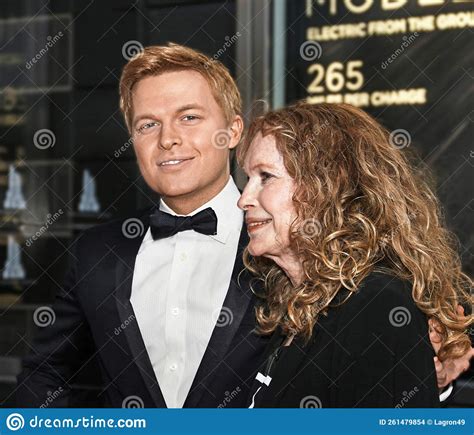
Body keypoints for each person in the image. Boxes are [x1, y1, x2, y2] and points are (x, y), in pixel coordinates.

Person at [14, 45, 469, 408]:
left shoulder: (293, 256)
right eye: (147, 124)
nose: (168, 138)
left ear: (232, 131)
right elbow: (44, 376)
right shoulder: (96, 252)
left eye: (189, 117)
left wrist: (429, 383)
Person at [237, 102, 473, 407]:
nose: (243, 199)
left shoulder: (374, 305)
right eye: (248, 179)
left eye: (266, 177)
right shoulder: (296, 305)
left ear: (328, 185)